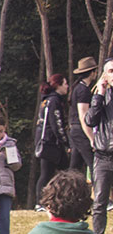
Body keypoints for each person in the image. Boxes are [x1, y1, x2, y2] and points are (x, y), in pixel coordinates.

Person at [87, 59, 113, 234]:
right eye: (111, 71)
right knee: (100, 202)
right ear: (105, 75)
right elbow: (90, 120)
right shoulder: (100, 96)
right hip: (103, 155)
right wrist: (100, 95)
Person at [34, 74, 70, 205]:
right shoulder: (54, 100)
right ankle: (39, 203)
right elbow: (57, 123)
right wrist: (65, 141)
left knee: (63, 171)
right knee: (47, 173)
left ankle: (62, 199)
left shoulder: (47, 100)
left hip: (49, 142)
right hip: (50, 143)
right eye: (65, 83)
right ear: (58, 85)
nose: (67, 86)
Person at [69, 56, 98, 179]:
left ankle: (67, 192)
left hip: (76, 130)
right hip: (81, 130)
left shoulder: (79, 88)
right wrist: (91, 138)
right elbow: (83, 115)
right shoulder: (83, 90)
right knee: (93, 164)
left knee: (75, 167)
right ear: (92, 73)